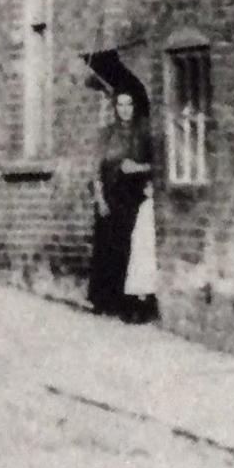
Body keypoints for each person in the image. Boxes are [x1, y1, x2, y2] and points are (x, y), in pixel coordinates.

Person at [89, 88, 157, 322]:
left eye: (129, 105)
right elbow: (96, 169)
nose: (125, 110)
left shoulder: (143, 134)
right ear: (115, 108)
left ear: (134, 107)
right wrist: (100, 199)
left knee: (129, 247)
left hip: (132, 197)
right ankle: (103, 300)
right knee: (106, 246)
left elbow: (156, 166)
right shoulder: (107, 134)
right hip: (109, 196)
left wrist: (137, 168)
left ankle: (125, 301)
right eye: (120, 105)